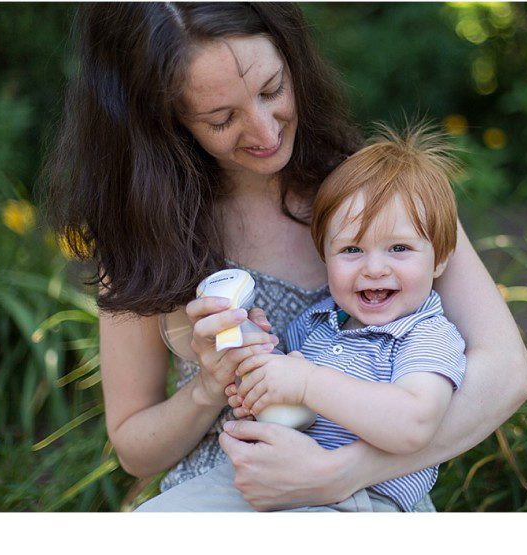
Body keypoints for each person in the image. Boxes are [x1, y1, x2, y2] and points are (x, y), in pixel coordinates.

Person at [44, 3, 527, 511]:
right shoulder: (143, 233)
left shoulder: (384, 197)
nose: (264, 132)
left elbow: (508, 374)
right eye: (222, 118)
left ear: (292, 59)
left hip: (362, 500)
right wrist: (209, 387)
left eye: (272, 89)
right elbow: (134, 447)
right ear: (163, 119)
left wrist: (336, 474)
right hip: (216, 500)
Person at [137, 124, 467, 511]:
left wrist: (307, 382)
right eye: (351, 249)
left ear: (440, 257)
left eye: (398, 248)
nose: (374, 268)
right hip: (276, 480)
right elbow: (291, 407)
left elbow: (413, 424)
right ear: (324, 255)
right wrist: (255, 360)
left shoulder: (426, 335)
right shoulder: (318, 323)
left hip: (364, 499)